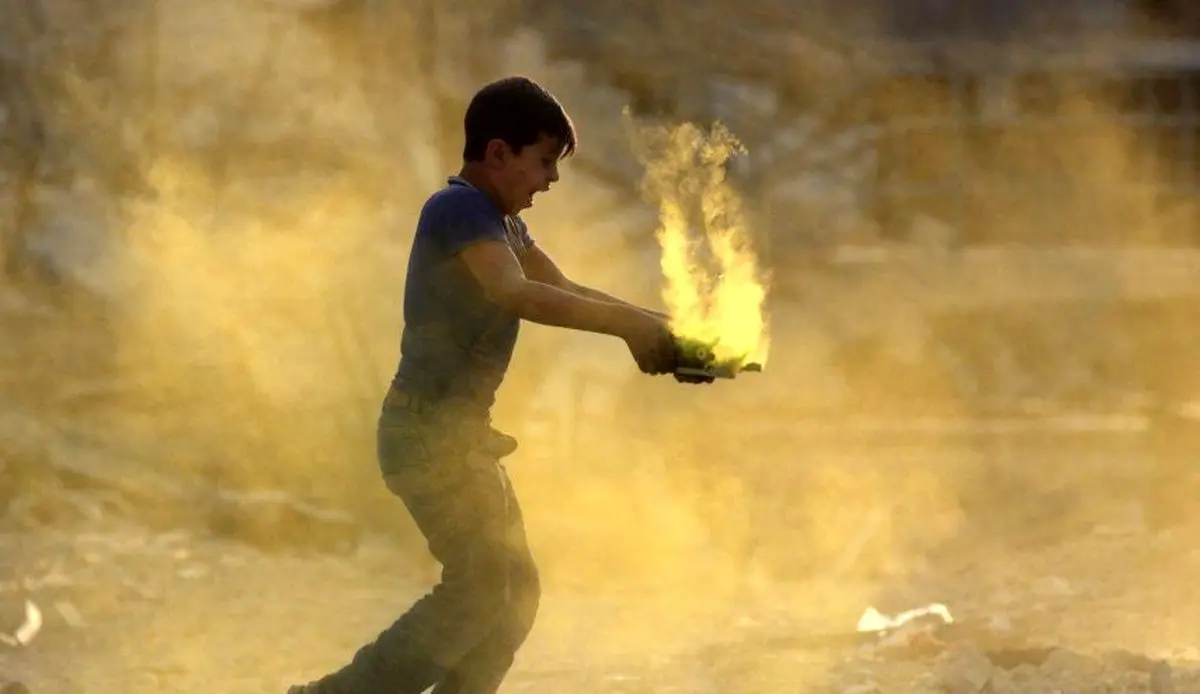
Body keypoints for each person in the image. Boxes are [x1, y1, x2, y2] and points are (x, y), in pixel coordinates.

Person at [288, 76, 701, 694]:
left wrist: (666, 330)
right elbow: (514, 294)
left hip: (460, 439)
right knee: (480, 590)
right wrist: (630, 328)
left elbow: (567, 292)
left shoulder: (505, 226)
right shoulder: (457, 209)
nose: (551, 181)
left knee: (512, 597)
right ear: (499, 153)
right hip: (427, 434)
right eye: (543, 162)